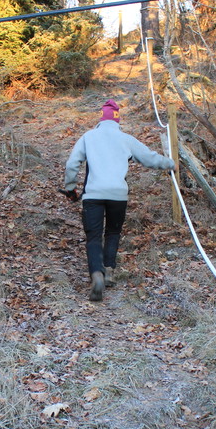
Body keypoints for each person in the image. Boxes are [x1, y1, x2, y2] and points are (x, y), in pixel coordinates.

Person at [61, 99, 176, 301]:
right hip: (118, 196)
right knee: (113, 232)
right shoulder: (126, 138)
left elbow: (72, 164)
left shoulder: (88, 137)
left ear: (101, 118)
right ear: (117, 120)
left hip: (93, 196)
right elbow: (149, 158)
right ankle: (110, 270)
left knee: (94, 236)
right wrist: (171, 163)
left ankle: (97, 274)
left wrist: (71, 188)